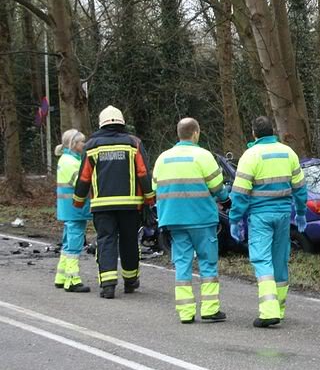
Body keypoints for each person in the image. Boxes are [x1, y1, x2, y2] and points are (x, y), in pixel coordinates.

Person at [229, 116, 307, 328]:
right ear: (272, 131)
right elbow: (300, 188)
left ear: (254, 133)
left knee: (262, 260)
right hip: (283, 215)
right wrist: (301, 212)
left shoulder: (250, 156)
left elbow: (240, 193)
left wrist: (235, 219)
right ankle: (279, 309)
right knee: (279, 259)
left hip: (260, 216)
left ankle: (268, 311)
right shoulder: (288, 152)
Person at [151, 118, 229, 324]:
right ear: (195, 133)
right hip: (201, 219)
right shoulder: (203, 156)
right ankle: (210, 309)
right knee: (208, 262)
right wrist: (225, 199)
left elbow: (154, 187)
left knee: (183, 264)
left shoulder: (163, 158)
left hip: (174, 220)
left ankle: (185, 312)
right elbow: (218, 188)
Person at [73, 105, 155, 299]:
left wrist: (78, 200)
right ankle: (130, 280)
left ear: (101, 123)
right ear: (122, 122)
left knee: (106, 241)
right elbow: (143, 173)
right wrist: (150, 199)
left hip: (102, 206)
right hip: (130, 205)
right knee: (129, 242)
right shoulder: (133, 143)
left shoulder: (92, 145)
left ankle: (108, 285)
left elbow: (84, 177)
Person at [54, 129, 91, 293]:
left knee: (68, 242)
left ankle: (61, 276)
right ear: (73, 144)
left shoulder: (67, 159)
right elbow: (81, 183)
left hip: (69, 208)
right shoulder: (71, 162)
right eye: (81, 142)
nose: (84, 144)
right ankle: (72, 279)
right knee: (74, 244)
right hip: (75, 208)